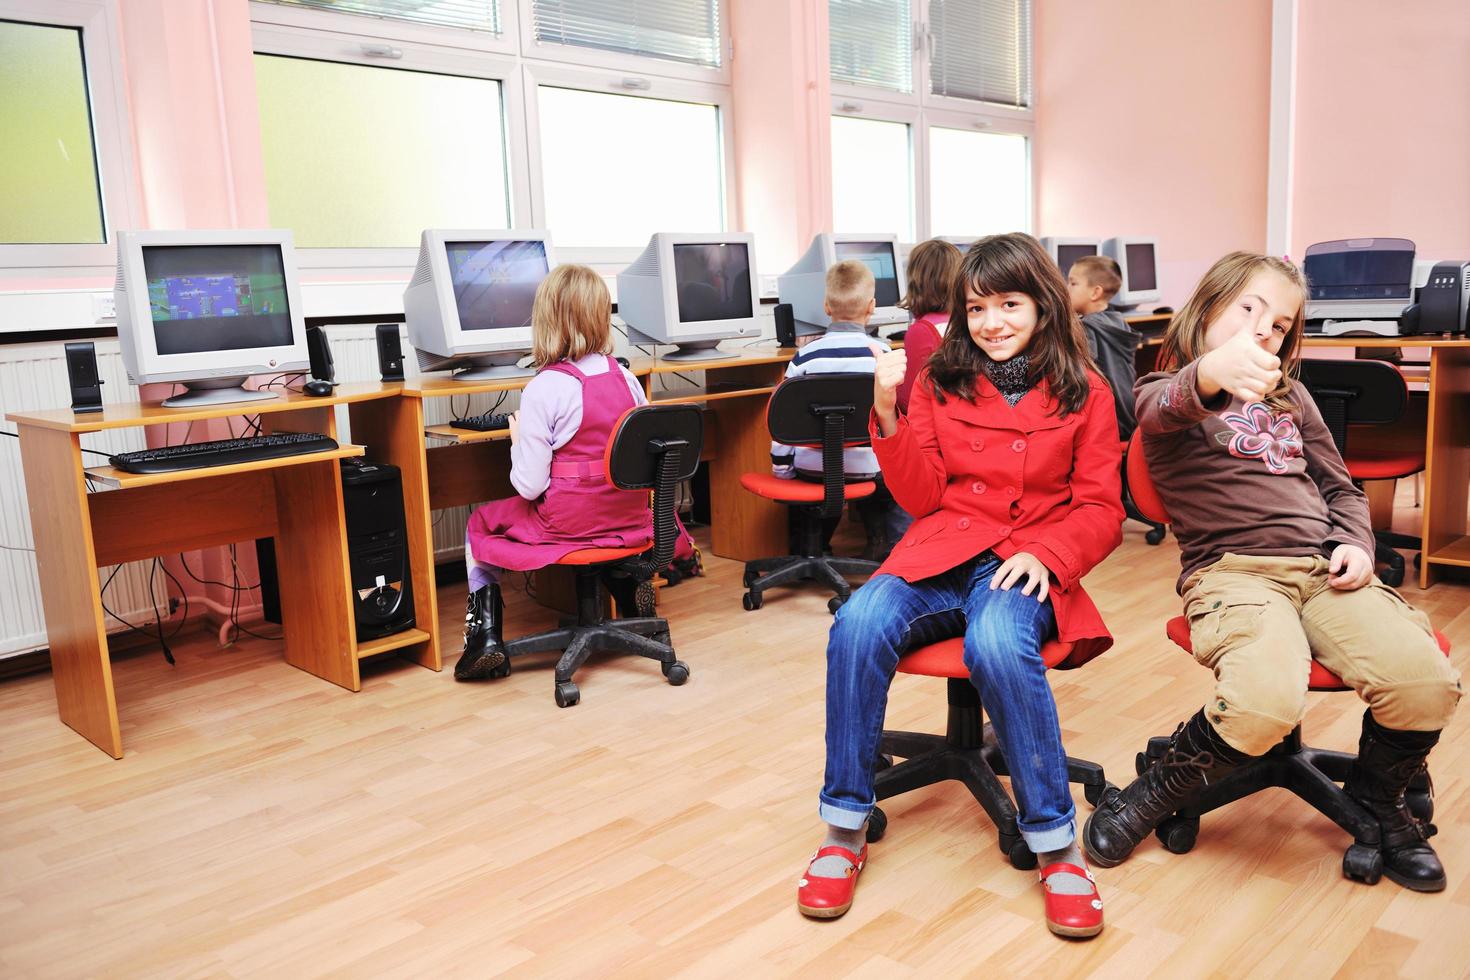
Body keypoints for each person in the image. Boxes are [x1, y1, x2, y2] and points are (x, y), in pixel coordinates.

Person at [1084, 252, 1462, 892]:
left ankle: (1378, 795)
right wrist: (1211, 371)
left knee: (1427, 682)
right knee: (1264, 701)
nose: (1265, 328)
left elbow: (1341, 489)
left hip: (1321, 570)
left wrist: (1358, 544)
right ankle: (1154, 790)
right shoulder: (1165, 390)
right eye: (1249, 308)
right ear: (1206, 308)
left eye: (1281, 323)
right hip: (1233, 574)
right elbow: (1161, 410)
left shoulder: (1293, 396)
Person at [796, 233, 1124, 938]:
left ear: (1042, 304)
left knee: (1000, 641)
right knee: (856, 622)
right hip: (942, 550)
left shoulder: (1085, 389)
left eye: (1010, 303)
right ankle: (845, 827)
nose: (992, 322)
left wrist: (1050, 554)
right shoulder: (939, 379)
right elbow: (920, 494)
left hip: (1025, 557)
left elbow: (1102, 508)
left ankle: (1056, 846)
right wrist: (885, 415)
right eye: (976, 308)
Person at [456, 264, 651, 681]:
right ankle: (630, 592)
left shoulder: (545, 388)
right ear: (601, 317)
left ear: (547, 320)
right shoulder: (629, 380)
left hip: (571, 527)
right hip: (628, 520)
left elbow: (529, 486)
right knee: (604, 507)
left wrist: (517, 442)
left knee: (478, 525)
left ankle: (484, 641)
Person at [772, 259, 901, 561]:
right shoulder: (882, 354)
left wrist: (782, 470)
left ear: (826, 306)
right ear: (872, 307)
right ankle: (878, 543)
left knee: (818, 475)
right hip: (867, 467)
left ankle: (813, 550)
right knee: (879, 469)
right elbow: (893, 417)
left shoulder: (804, 357)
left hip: (811, 469)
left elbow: (783, 420)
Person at [1067, 254, 1142, 440]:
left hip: (1108, 419)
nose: (1066, 289)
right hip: (1130, 412)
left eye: (1072, 283)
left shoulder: (1086, 328)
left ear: (1095, 292)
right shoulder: (1119, 321)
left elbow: (1081, 379)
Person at [895, 238, 964, 414]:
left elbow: (909, 400)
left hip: (933, 424)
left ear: (915, 282)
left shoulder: (922, 331)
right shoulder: (966, 321)